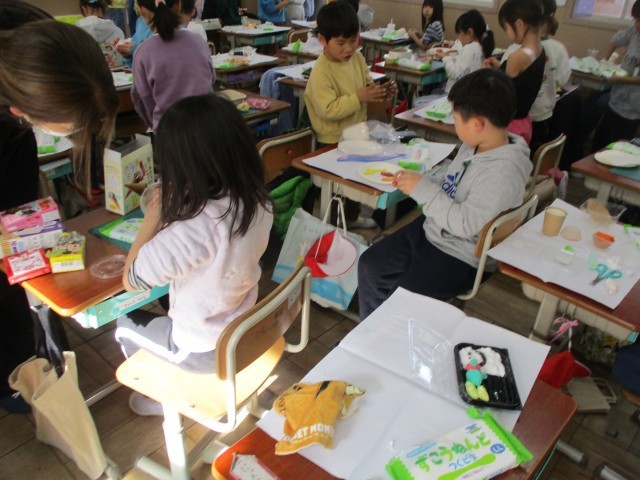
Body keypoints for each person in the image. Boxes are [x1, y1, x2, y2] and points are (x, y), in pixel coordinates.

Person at [115, 94, 273, 415]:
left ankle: (163, 397)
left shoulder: (195, 229)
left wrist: (154, 216)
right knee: (168, 298)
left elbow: (131, 279)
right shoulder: (258, 200)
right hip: (241, 328)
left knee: (123, 323)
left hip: (200, 350)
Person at [0, 10, 118, 412]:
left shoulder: (40, 40)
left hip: (13, 146)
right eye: (68, 128)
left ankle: (42, 360)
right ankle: (15, 376)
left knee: (22, 262)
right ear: (21, 112)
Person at [358, 69, 532, 319]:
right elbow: (452, 181)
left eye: (456, 118)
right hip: (435, 230)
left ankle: (387, 331)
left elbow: (465, 225)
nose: (454, 123)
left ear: (477, 124)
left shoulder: (502, 173)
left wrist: (423, 190)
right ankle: (371, 330)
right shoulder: (477, 144)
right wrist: (423, 181)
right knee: (369, 265)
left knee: (399, 302)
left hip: (460, 255)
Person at [304, 1, 392, 228]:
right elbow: (328, 109)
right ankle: (333, 226)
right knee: (336, 186)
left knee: (355, 179)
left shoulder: (357, 59)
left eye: (354, 40)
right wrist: (359, 97)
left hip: (356, 132)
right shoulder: (321, 71)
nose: (349, 49)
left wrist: (378, 90)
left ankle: (351, 218)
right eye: (341, 43)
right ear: (323, 40)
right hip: (331, 139)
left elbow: (366, 83)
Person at [132, 0, 214, 131]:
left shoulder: (143, 53)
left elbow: (143, 100)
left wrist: (156, 125)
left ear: (141, 11)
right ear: (178, 6)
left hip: (169, 132)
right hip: (206, 126)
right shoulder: (198, 42)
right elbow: (210, 80)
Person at [487, 0, 548, 146]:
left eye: (506, 28)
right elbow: (522, 81)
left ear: (520, 24)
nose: (507, 34)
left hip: (510, 125)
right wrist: (500, 67)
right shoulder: (540, 50)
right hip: (524, 122)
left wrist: (488, 76)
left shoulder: (517, 57)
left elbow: (504, 96)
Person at [591, 0, 640, 153]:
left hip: (634, 107)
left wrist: (620, 79)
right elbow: (615, 40)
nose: (637, 24)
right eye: (636, 20)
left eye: (639, 21)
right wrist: (604, 62)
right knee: (601, 138)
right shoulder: (634, 32)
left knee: (619, 146)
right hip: (617, 98)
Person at [529, 14, 570, 155]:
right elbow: (562, 79)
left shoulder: (519, 48)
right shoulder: (558, 48)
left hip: (520, 115)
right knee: (537, 150)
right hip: (545, 111)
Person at [440, 9, 494, 93]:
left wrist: (445, 58)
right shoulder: (480, 48)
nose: (459, 38)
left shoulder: (469, 48)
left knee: (426, 97)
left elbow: (454, 73)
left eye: (460, 34)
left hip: (456, 94)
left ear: (470, 32)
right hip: (469, 94)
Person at [77, 0, 126, 68]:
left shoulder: (75, 33)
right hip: (115, 74)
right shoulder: (118, 31)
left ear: (84, 9)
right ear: (104, 7)